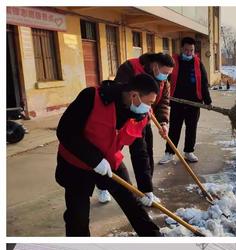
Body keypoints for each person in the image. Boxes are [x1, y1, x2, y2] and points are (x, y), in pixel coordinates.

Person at [55, 74, 163, 236]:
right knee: (78, 217)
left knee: (133, 204)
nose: (149, 108)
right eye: (149, 102)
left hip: (110, 162)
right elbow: (65, 132)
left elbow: (140, 152)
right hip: (76, 164)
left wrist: (146, 189)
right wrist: (95, 160)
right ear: (134, 95)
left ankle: (154, 238)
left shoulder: (140, 115)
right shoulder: (92, 97)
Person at [96, 53, 174, 205]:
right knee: (109, 153)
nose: (166, 77)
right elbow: (122, 94)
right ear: (155, 66)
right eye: (165, 73)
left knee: (144, 153)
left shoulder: (163, 82)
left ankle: (146, 190)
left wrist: (164, 122)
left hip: (143, 117)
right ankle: (102, 186)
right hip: (122, 119)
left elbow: (163, 102)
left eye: (169, 74)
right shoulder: (130, 68)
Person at [159, 37, 212, 165]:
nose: (189, 53)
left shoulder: (198, 63)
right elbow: (165, 79)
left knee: (191, 128)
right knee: (175, 128)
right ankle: (169, 153)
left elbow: (204, 83)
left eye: (191, 50)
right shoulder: (174, 61)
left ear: (194, 50)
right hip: (177, 102)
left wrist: (208, 101)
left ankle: (189, 151)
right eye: (187, 50)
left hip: (194, 103)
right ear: (182, 49)